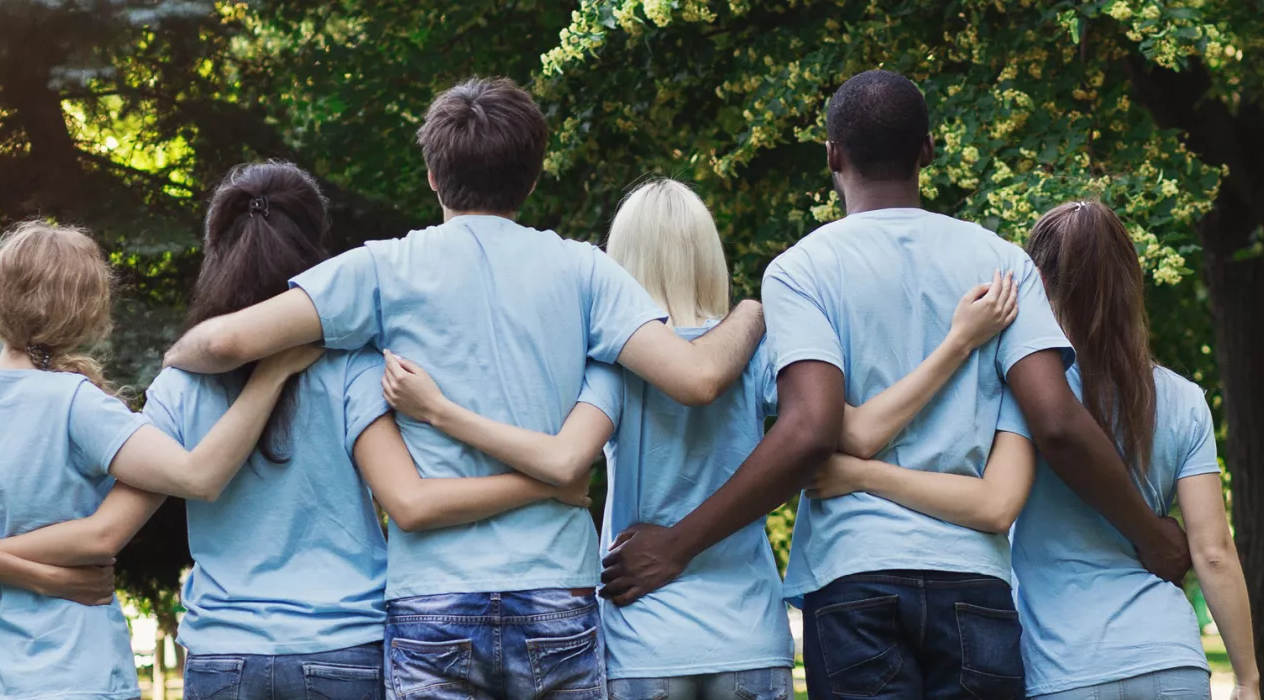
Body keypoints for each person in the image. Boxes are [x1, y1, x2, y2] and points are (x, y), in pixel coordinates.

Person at [160, 78, 764, 698]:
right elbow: (698, 379)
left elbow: (226, 344)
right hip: (555, 587)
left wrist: (177, 353)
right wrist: (751, 311)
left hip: (433, 597)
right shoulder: (586, 270)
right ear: (532, 177)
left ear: (432, 175)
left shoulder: (382, 269)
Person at [597, 70, 1191, 700]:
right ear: (928, 149)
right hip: (972, 580)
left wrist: (679, 544)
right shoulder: (1002, 265)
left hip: (854, 579)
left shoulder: (801, 271)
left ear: (833, 155)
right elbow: (1058, 422)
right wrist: (1152, 535)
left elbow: (811, 429)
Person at [381, 178, 1022, 700]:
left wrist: (440, 410)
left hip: (641, 634)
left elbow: (558, 459)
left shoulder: (609, 362)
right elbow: (848, 432)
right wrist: (955, 345)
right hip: (747, 634)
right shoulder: (762, 352)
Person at [816, 201, 1260, 700]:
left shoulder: (1022, 391)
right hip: (1169, 657)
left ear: (1037, 285)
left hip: (1065, 665)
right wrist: (1247, 677)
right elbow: (1214, 553)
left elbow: (988, 502)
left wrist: (862, 475)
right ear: (1130, 284)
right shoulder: (1184, 400)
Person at [0, 221, 323, 700]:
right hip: (80, 667)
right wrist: (273, 372)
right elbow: (200, 476)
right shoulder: (78, 402)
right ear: (86, 310)